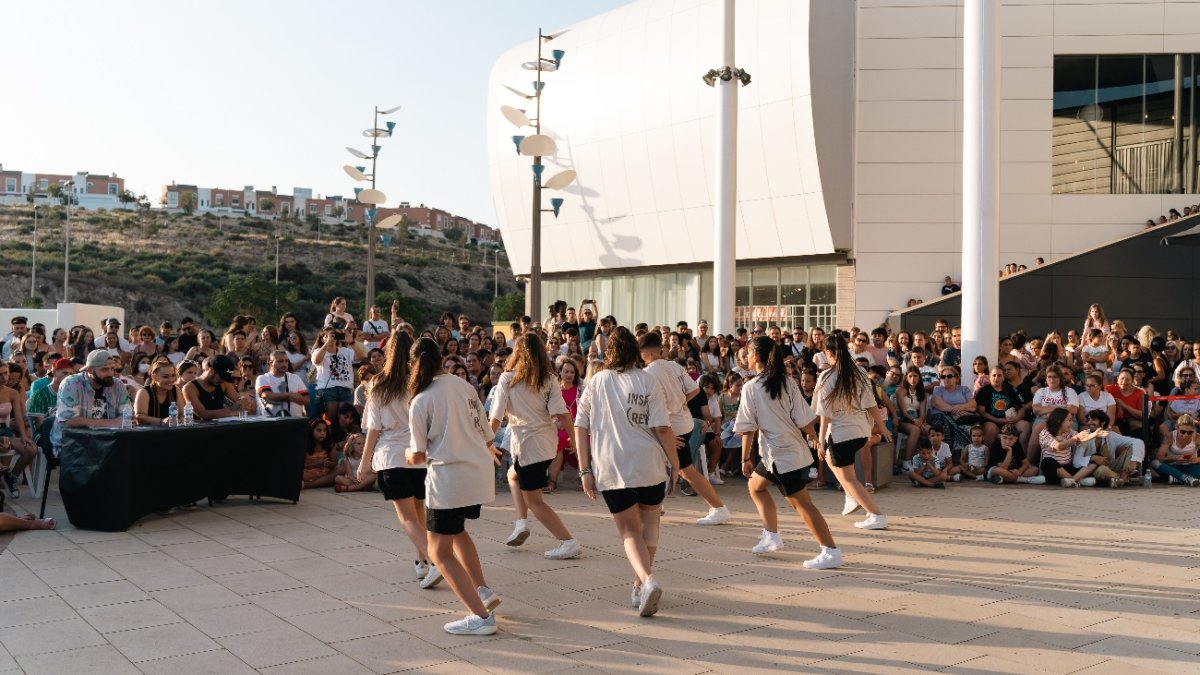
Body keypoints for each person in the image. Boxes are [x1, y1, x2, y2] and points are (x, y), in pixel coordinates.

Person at [574, 326, 679, 618]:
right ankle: (639, 585)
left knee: (629, 532)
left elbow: (579, 425)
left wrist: (585, 469)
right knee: (650, 527)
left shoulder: (597, 382)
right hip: (650, 464)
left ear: (610, 352)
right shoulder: (648, 381)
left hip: (612, 465)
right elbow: (662, 428)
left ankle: (645, 581)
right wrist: (676, 464)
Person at [407, 336, 502, 636]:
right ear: (442, 359)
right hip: (477, 472)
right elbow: (486, 431)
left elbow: (418, 453)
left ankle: (481, 616)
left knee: (439, 552)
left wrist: (407, 455)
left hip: (448, 478)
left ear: (413, 365)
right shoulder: (464, 386)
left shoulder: (421, 399)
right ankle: (482, 590)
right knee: (457, 532)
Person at [734, 336, 842, 569]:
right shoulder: (787, 382)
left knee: (802, 504)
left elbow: (747, 428)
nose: (746, 358)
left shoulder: (751, 387)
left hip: (780, 455)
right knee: (755, 486)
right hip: (782, 452)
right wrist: (814, 437)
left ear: (755, 357)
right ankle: (771, 536)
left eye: (748, 354)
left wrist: (744, 458)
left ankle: (830, 550)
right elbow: (804, 418)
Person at [489, 333, 582, 560]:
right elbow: (563, 414)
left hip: (528, 446)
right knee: (513, 475)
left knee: (535, 501)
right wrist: (576, 442)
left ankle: (568, 542)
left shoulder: (507, 379)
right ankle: (521, 523)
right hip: (545, 444)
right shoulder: (548, 378)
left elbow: (495, 418)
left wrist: (483, 442)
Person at [639, 331, 731, 526]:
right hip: (682, 422)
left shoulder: (647, 374)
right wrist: (679, 403)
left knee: (685, 470)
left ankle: (718, 508)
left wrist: (672, 407)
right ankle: (656, 505)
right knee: (658, 464)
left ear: (645, 352)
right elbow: (695, 389)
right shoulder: (674, 366)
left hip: (671, 427)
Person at [814, 334, 892, 530]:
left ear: (829, 353)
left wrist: (821, 440)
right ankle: (851, 496)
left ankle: (875, 514)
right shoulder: (859, 371)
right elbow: (871, 403)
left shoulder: (827, 376)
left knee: (849, 477)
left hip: (842, 434)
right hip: (861, 432)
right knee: (832, 460)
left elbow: (824, 414)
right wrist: (882, 428)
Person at [50, 350, 133, 456]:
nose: (111, 373)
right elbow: (70, 421)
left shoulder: (117, 385)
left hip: (106, 442)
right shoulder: (71, 384)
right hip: (71, 444)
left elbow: (126, 416)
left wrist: (125, 420)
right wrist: (113, 423)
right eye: (104, 369)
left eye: (112, 368)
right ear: (90, 369)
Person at [1074, 410, 1144, 488]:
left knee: (1133, 447)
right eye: (1089, 420)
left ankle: (1120, 479)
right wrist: (1092, 458)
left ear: (1103, 423)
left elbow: (1138, 442)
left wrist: (1133, 461)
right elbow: (1076, 461)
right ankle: (1124, 480)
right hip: (1094, 469)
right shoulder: (1085, 436)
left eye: (1093, 420)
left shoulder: (1111, 436)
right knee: (1102, 470)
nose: (1090, 422)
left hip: (1112, 466)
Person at [1039, 408, 1104, 487]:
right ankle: (1075, 480)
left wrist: (1095, 434)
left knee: (1097, 457)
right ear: (1059, 420)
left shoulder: (1070, 432)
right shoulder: (1045, 433)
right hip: (1054, 470)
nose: (1071, 423)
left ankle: (1071, 481)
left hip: (1068, 468)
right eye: (1069, 420)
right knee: (1047, 462)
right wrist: (1075, 438)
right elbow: (1058, 447)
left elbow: (1082, 438)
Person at [181, 355, 252, 420]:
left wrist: (242, 401)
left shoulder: (224, 383)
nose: (222, 380)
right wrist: (232, 410)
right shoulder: (189, 388)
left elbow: (242, 404)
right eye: (221, 377)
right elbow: (203, 414)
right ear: (211, 370)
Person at [312, 326, 356, 422]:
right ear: (322, 339)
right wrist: (327, 343)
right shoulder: (317, 351)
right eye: (326, 336)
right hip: (328, 390)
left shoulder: (345, 351)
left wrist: (352, 342)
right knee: (329, 420)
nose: (330, 338)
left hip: (345, 389)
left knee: (345, 421)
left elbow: (361, 356)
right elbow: (317, 360)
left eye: (332, 335)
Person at [1150, 413, 1200, 486]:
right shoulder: (1170, 436)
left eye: (1189, 432)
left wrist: (1197, 459)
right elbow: (1159, 456)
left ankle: (1178, 479)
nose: (1185, 435)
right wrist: (1174, 458)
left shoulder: (1197, 437)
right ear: (1177, 427)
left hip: (1191, 466)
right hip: (1174, 467)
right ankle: (1186, 478)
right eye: (1182, 431)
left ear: (1194, 430)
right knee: (1155, 462)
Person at [256, 350, 309, 417]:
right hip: (270, 422)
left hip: (295, 422)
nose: (284, 364)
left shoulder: (295, 378)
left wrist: (282, 396)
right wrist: (290, 395)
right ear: (271, 363)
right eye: (280, 361)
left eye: (286, 361)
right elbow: (267, 395)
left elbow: (307, 399)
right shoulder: (263, 378)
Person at [133, 359, 182, 426]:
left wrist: (182, 418)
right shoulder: (144, 392)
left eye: (173, 375)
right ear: (154, 377)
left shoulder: (176, 389)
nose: (171, 380)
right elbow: (139, 417)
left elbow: (181, 413)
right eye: (165, 376)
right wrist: (161, 422)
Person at [302, 418, 338, 489]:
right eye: (319, 430)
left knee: (342, 468)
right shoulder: (304, 444)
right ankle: (323, 482)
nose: (322, 433)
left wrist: (329, 464)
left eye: (324, 430)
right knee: (297, 473)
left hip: (326, 472)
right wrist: (317, 464)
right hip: (308, 473)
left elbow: (334, 463)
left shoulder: (330, 444)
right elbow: (300, 465)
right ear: (312, 431)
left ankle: (307, 485)